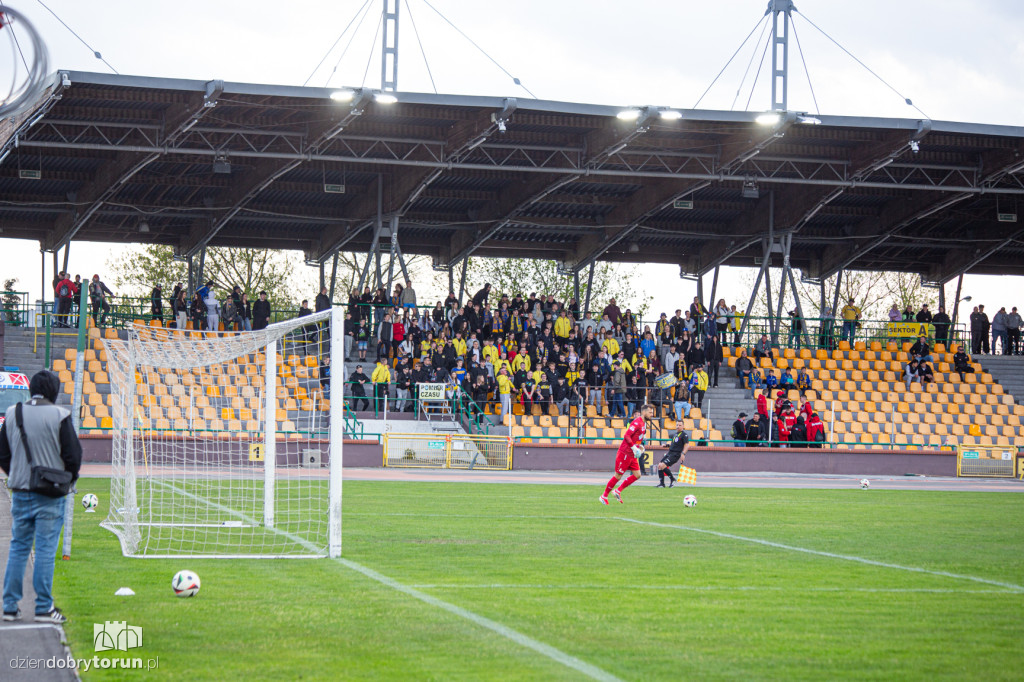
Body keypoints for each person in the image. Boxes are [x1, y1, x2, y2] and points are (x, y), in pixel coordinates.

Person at [1, 370, 82, 624]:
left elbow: (2, 454)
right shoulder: (60, 415)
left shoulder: (13, 413)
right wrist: (67, 479)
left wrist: (17, 473)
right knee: (45, 549)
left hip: (21, 491)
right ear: (54, 391)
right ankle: (44, 607)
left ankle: (10, 606)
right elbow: (73, 456)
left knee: (19, 546)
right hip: (51, 493)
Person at [600, 403, 653, 504]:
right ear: (644, 412)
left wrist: (639, 447)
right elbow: (627, 436)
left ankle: (618, 491)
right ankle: (604, 496)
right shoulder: (637, 423)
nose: (652, 414)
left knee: (637, 475)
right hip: (625, 452)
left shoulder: (643, 424)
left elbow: (636, 438)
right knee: (618, 476)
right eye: (650, 412)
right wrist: (633, 447)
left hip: (632, 454)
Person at [655, 423, 691, 488]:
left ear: (683, 426)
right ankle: (662, 484)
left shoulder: (684, 435)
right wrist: (666, 445)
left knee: (663, 465)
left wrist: (683, 454)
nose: (678, 426)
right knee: (659, 466)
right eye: (677, 425)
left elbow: (687, 445)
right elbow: (673, 445)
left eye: (680, 425)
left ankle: (672, 479)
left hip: (675, 454)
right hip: (670, 453)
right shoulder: (675, 434)